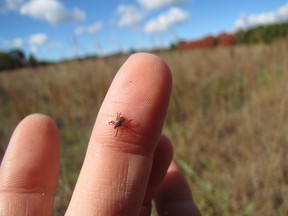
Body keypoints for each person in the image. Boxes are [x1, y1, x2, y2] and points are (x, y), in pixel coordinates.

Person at [0, 53, 201, 216]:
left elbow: (121, 120)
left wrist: (120, 120)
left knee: (127, 124)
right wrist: (120, 121)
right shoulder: (120, 124)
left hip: (125, 121)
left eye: (117, 123)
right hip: (124, 122)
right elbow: (121, 121)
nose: (117, 125)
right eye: (117, 124)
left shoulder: (120, 123)